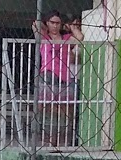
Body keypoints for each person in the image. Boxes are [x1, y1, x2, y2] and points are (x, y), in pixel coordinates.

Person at [32, 11, 81, 146]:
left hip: (63, 78)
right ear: (47, 23)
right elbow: (35, 25)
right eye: (52, 22)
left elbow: (80, 37)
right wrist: (45, 26)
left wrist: (71, 27)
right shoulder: (44, 37)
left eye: (58, 23)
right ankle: (46, 139)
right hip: (47, 76)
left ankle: (60, 139)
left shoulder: (66, 38)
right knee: (46, 109)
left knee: (64, 111)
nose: (55, 26)